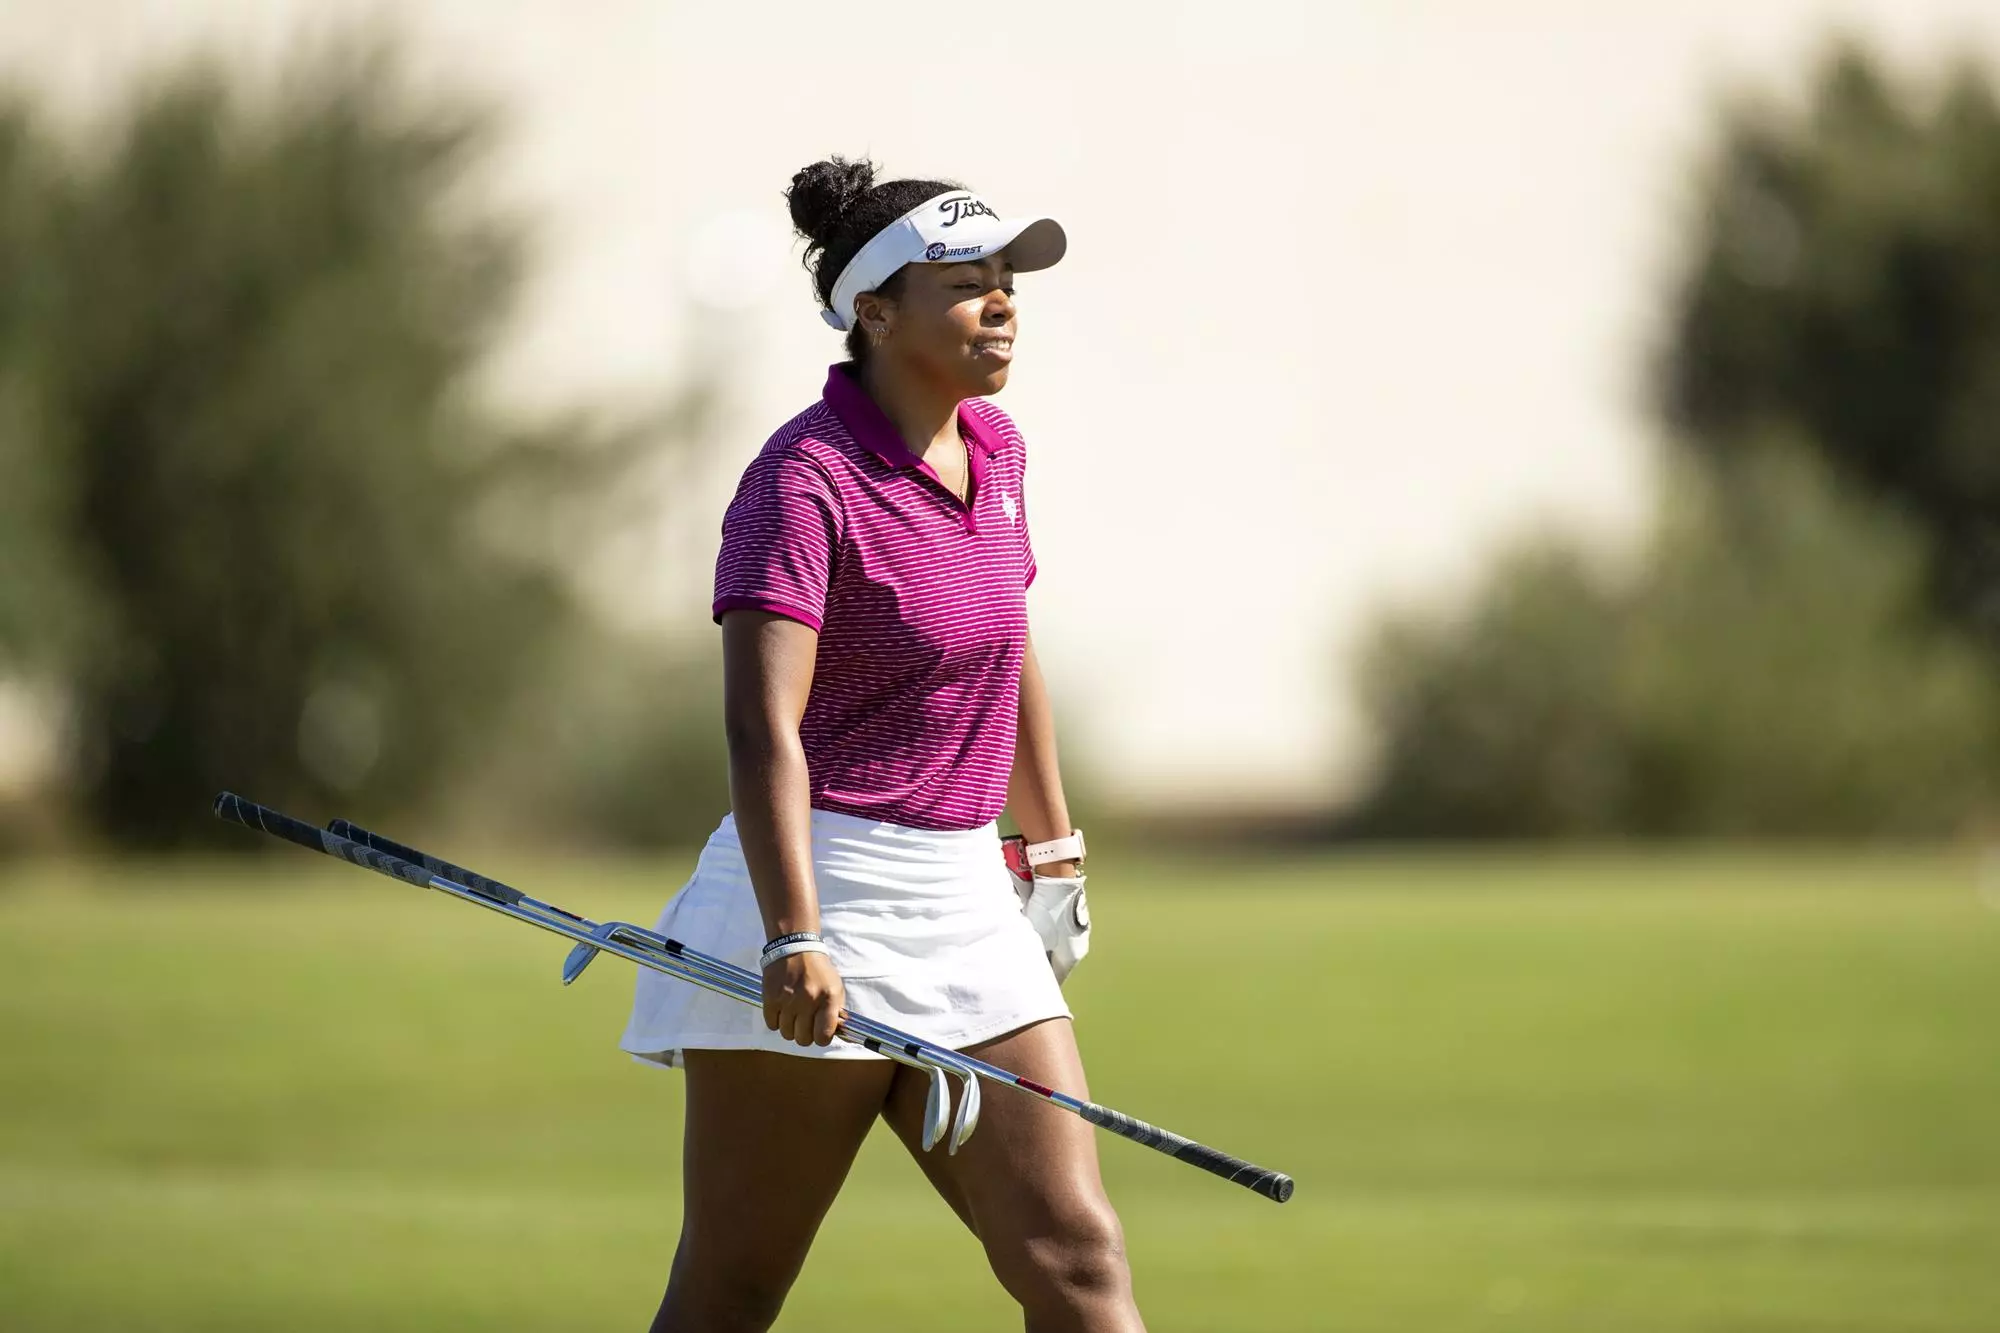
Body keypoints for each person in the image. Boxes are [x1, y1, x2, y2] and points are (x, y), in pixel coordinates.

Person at [619, 156, 1143, 1332]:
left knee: (1076, 1259)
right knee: (734, 1285)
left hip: (965, 900)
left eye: (1006, 278)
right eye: (965, 280)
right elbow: (761, 727)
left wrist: (1050, 849)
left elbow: (1010, 649)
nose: (1001, 300)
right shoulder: (801, 481)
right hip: (821, 889)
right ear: (874, 310)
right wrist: (792, 930)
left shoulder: (997, 453)